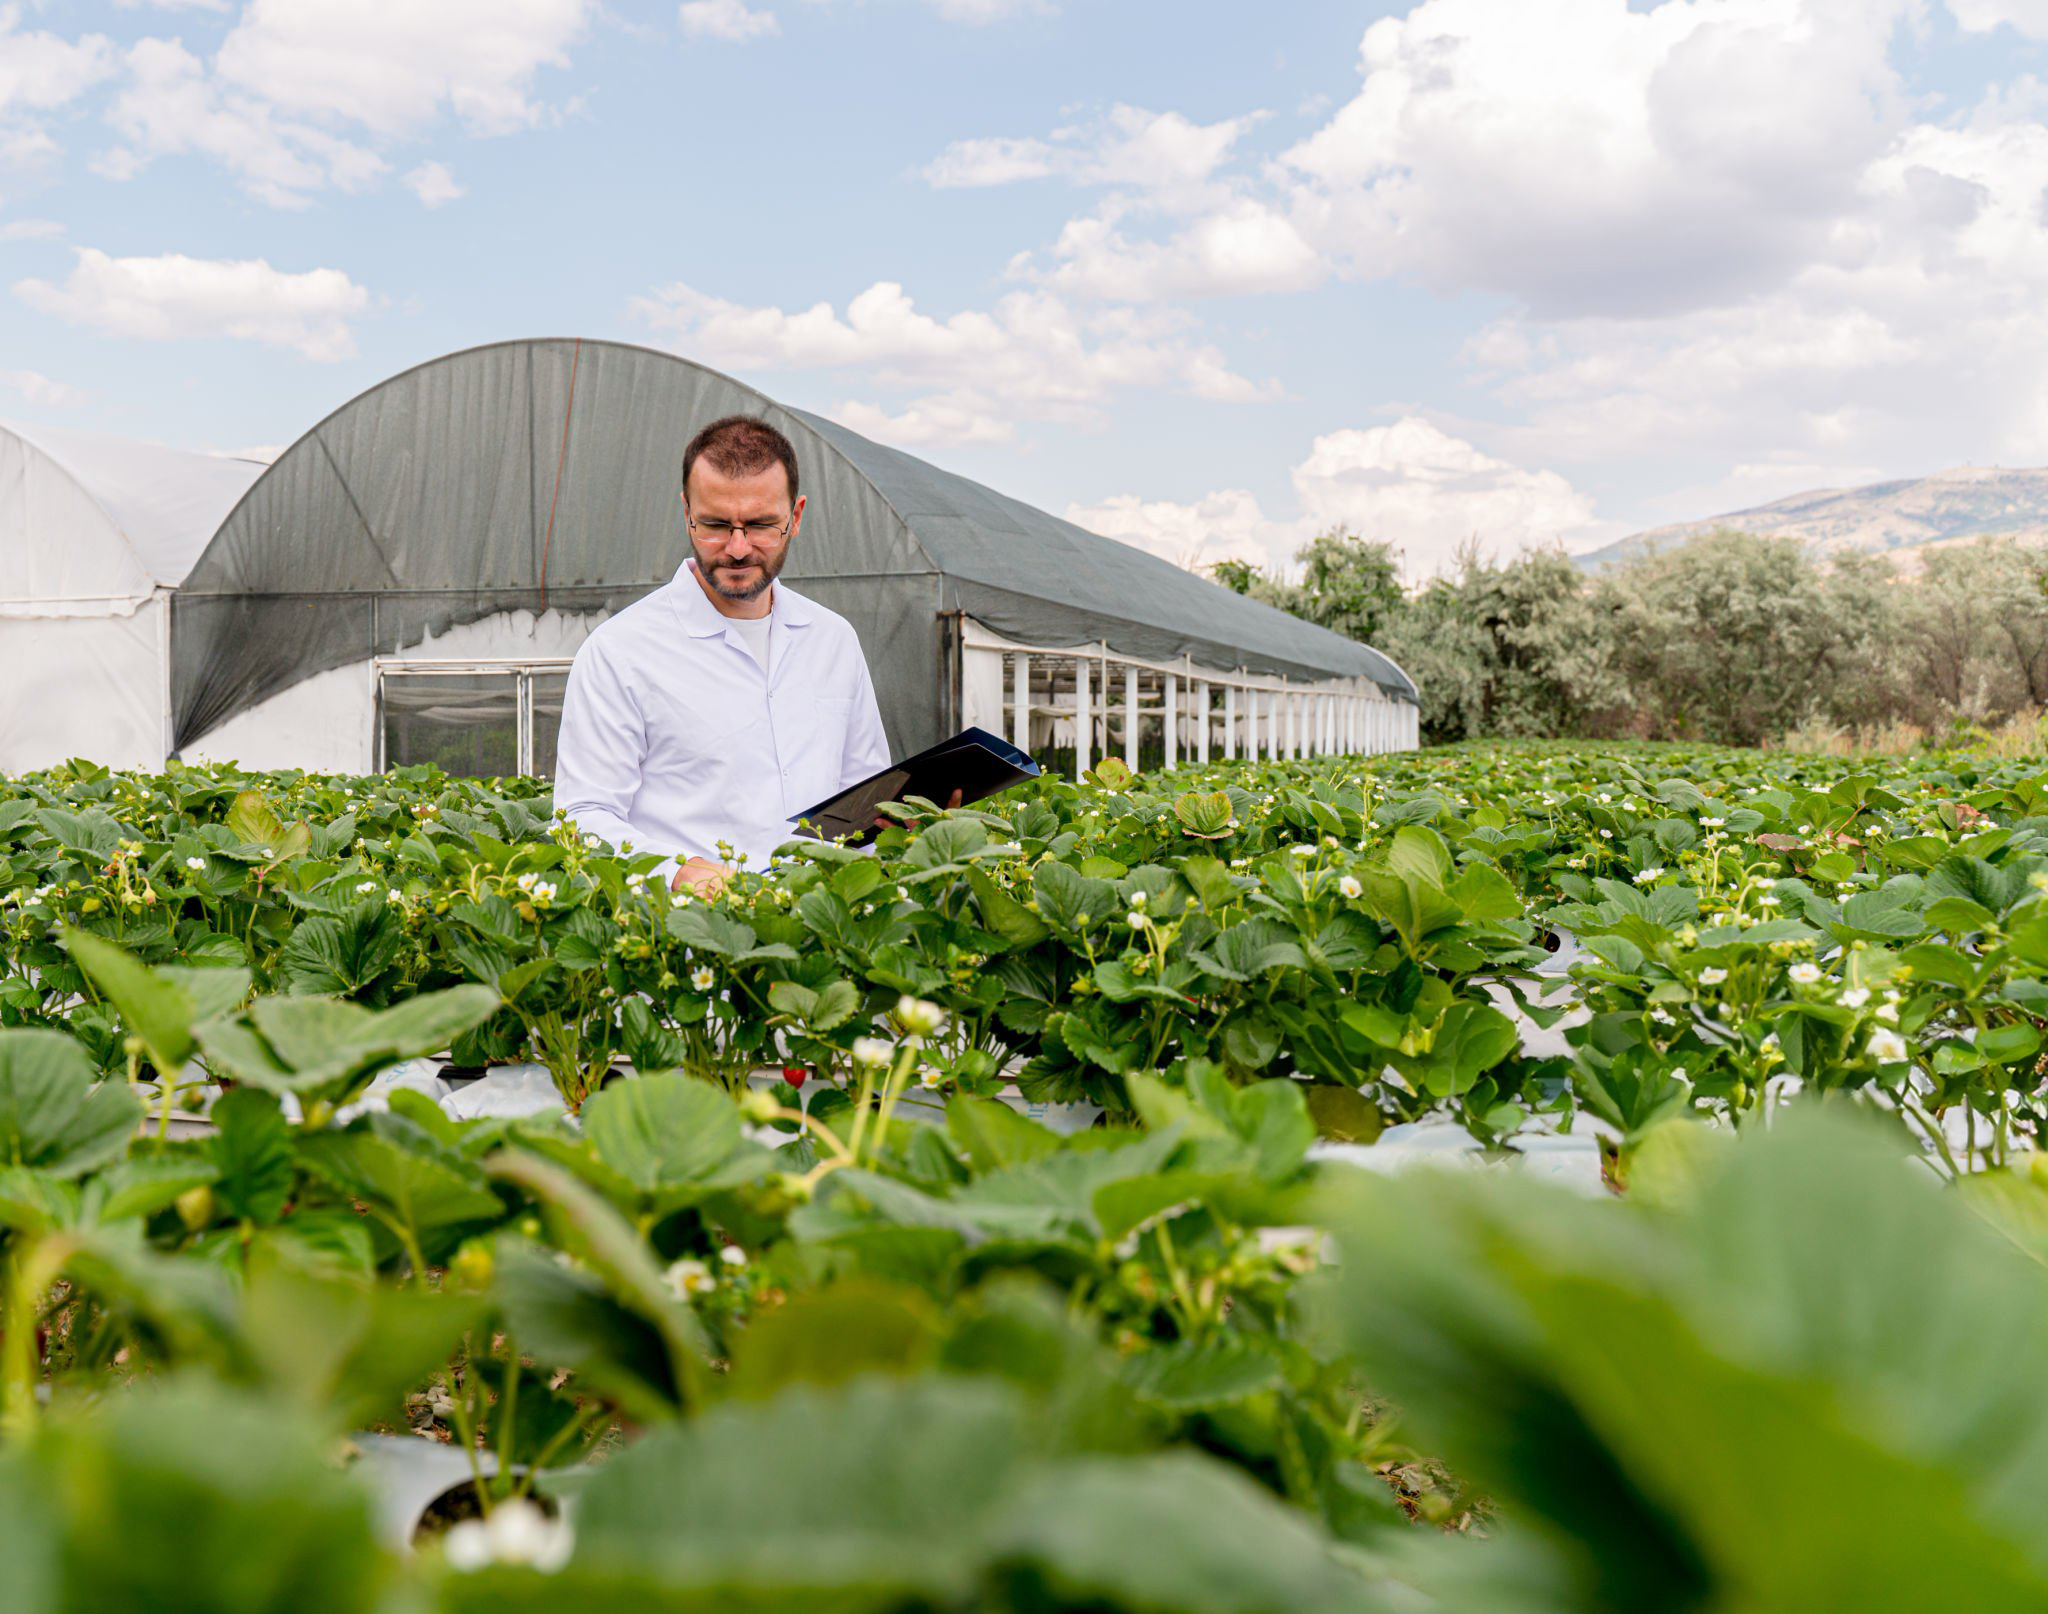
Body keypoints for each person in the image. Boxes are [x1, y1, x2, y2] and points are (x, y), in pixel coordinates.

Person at [553, 414, 891, 894]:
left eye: (759, 526)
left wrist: (895, 824)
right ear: (686, 511)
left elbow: (863, 796)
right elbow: (583, 818)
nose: (736, 548)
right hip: (686, 943)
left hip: (818, 931)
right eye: (714, 525)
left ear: (795, 517)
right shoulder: (620, 652)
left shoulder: (832, 639)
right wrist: (676, 873)